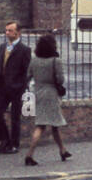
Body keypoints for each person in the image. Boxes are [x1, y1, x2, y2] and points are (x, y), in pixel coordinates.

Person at [24, 32, 71, 166]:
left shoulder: (34, 59)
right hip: (51, 94)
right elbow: (60, 79)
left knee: (53, 124)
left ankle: (63, 150)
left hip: (37, 92)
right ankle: (29, 154)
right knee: (42, 125)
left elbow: (28, 75)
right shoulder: (56, 60)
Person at [0, 21, 31, 152]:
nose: (7, 33)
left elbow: (27, 71)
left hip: (16, 88)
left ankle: (14, 144)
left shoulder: (24, 50)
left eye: (10, 30)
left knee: (15, 118)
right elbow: (0, 67)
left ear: (17, 33)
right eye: (6, 30)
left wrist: (21, 86)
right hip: (2, 87)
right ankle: (4, 140)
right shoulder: (3, 47)